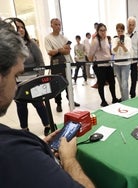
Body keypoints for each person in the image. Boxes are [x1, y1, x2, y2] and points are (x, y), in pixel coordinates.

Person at [0, 19, 95, 188]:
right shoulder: (16, 153)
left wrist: (39, 145)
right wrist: (69, 160)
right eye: (16, 76)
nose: (16, 87)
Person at [8, 18, 51, 136]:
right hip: (17, 82)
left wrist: (39, 79)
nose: (21, 29)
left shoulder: (31, 43)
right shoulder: (10, 47)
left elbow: (41, 63)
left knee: (39, 104)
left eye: (22, 27)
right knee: (21, 106)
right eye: (18, 27)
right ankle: (24, 128)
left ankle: (47, 125)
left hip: (33, 80)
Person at [44, 18, 80, 112]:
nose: (58, 26)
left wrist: (58, 50)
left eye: (59, 24)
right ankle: (58, 104)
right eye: (56, 24)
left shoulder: (64, 38)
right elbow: (50, 53)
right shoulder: (48, 38)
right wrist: (61, 49)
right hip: (56, 65)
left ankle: (71, 100)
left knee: (68, 84)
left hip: (67, 64)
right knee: (57, 85)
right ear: (51, 25)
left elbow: (67, 51)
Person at [88, 23, 120, 107]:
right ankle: (103, 101)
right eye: (101, 30)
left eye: (104, 30)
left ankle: (114, 98)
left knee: (112, 82)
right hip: (99, 66)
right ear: (97, 31)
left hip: (108, 65)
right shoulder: (95, 41)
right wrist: (95, 62)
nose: (103, 32)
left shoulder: (106, 39)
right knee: (101, 83)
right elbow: (90, 54)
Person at [112, 23, 132, 101]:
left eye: (121, 31)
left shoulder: (128, 39)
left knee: (124, 84)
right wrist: (117, 45)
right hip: (116, 64)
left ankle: (126, 100)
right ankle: (123, 99)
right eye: (118, 31)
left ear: (123, 31)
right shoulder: (115, 40)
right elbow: (113, 52)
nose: (119, 33)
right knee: (120, 84)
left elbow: (128, 52)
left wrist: (123, 46)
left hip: (125, 64)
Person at [126, 16, 138, 98]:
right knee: (125, 80)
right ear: (127, 24)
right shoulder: (124, 35)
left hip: (135, 61)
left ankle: (132, 93)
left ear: (135, 25)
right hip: (125, 61)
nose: (131, 26)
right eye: (129, 24)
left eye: (132, 25)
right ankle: (125, 94)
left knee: (134, 79)